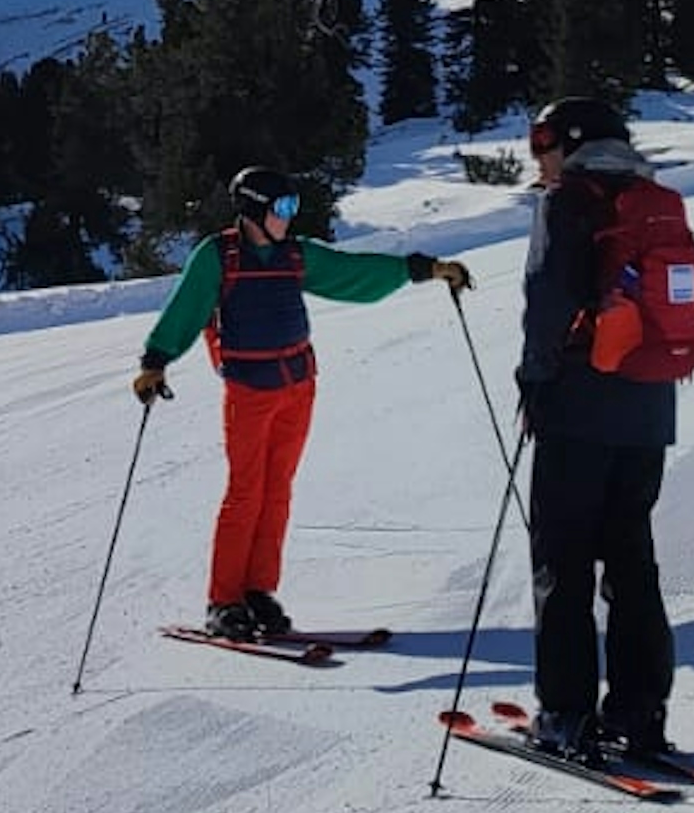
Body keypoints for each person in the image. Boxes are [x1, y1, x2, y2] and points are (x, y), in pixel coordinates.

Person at [133, 165, 468, 638]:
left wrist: (423, 269)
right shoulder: (219, 256)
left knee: (278, 491)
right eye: (283, 208)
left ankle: (258, 591)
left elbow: (353, 273)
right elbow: (186, 308)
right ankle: (223, 599)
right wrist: (156, 360)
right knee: (246, 492)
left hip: (298, 387)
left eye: (294, 207)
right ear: (253, 208)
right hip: (249, 392)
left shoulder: (294, 254)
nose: (291, 217)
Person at [511, 95, 684, 758]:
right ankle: (643, 714)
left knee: (563, 562)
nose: (540, 160)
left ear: (572, 142)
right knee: (633, 560)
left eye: (543, 144)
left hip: (578, 410)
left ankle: (566, 714)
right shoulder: (657, 201)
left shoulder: (567, 203)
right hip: (649, 411)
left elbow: (547, 299)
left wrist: (534, 378)